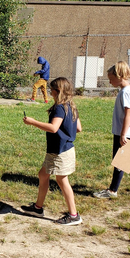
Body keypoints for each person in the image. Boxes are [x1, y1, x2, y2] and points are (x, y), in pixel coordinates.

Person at [21, 77, 83, 226]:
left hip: (60, 151)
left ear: (58, 91)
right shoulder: (71, 106)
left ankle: (74, 215)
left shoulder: (60, 108)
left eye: (52, 90)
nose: (50, 92)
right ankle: (37, 208)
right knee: (43, 175)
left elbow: (54, 128)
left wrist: (33, 122)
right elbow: (79, 128)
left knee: (62, 180)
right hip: (61, 149)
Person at [93, 61, 130, 198]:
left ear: (120, 76)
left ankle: (112, 191)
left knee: (121, 161)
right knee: (121, 161)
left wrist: (124, 134)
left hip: (123, 133)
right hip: (124, 131)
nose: (110, 82)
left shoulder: (126, 92)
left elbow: (129, 113)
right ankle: (114, 189)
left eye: (111, 79)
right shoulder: (128, 91)